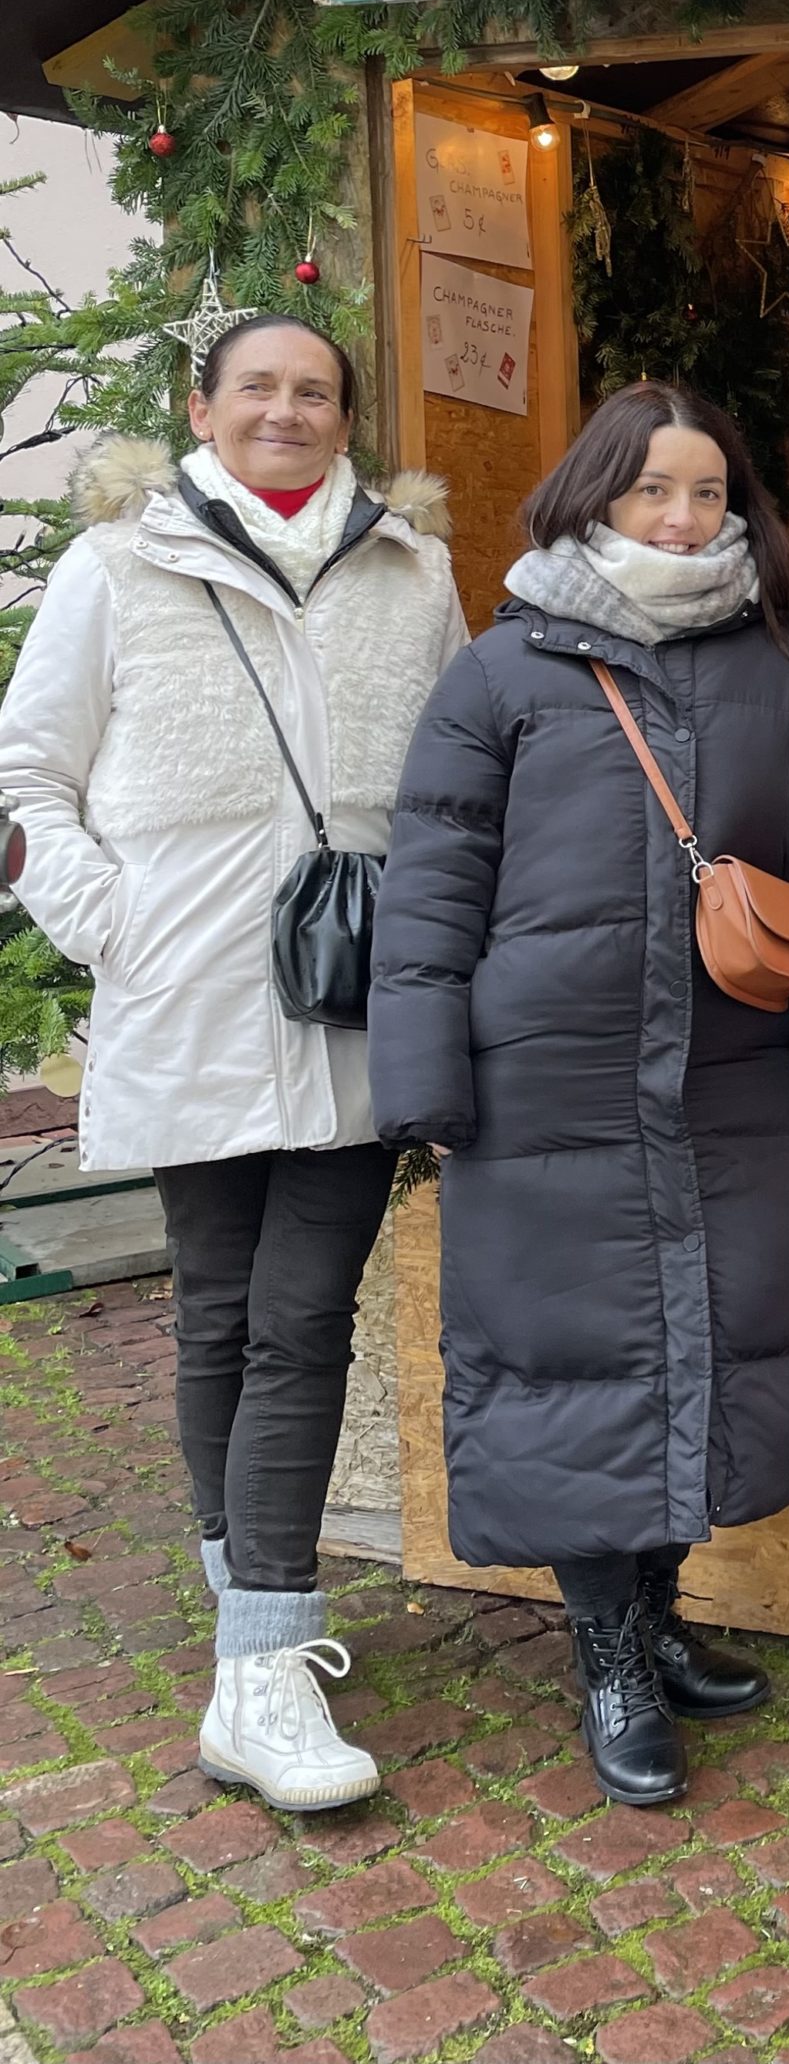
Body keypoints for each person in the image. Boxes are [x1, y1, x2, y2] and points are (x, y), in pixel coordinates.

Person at [369, 382, 789, 1806]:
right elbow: (429, 890)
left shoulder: (774, 672)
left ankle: (656, 1617)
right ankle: (604, 1649)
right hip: (543, 1086)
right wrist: (420, 1078)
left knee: (698, 1350)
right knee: (571, 1366)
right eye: (655, 488)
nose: (682, 514)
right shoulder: (501, 674)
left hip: (722, 1081)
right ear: (597, 494)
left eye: (708, 492)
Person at [0, 314, 464, 1810]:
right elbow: (27, 777)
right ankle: (247, 1609)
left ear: (343, 417)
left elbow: (459, 776)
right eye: (257, 386)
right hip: (188, 993)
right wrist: (110, 923)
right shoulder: (117, 568)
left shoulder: (411, 570)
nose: (286, 410)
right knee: (216, 1309)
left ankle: (263, 1654)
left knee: (302, 1312)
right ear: (203, 406)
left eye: (314, 391)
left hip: (353, 1000)